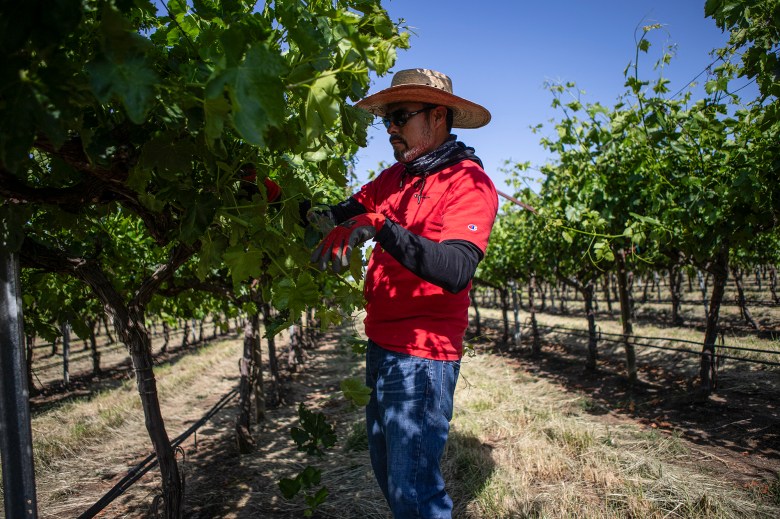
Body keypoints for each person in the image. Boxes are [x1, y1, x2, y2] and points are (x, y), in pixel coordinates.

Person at [310, 68, 498, 518]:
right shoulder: (392, 179)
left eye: (400, 116)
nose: (390, 128)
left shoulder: (468, 183)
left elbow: (456, 268)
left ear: (437, 116)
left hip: (422, 357)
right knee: (393, 482)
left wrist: (381, 226)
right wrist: (274, 195)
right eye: (387, 119)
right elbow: (331, 216)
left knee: (414, 495)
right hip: (381, 345)